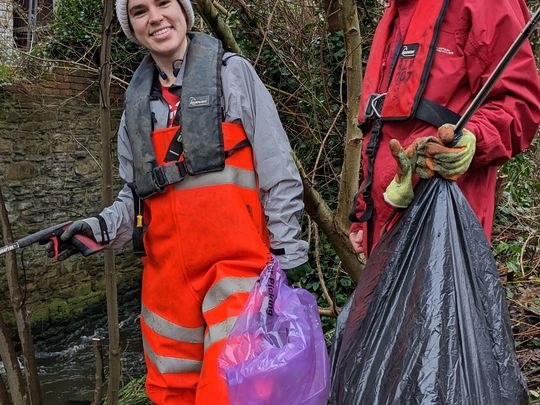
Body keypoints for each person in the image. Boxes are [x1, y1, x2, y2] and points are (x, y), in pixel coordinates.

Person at [51, 0, 310, 403]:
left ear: (184, 10)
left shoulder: (233, 76)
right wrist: (99, 228)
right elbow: (134, 198)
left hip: (238, 276)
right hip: (166, 291)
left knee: (229, 393)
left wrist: (286, 258)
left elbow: (279, 171)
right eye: (139, 11)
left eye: (163, 2)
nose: (154, 17)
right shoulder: (135, 108)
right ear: (131, 27)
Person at [349, 0, 540, 257]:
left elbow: (519, 103)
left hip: (444, 230)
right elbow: (381, 132)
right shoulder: (397, 10)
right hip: (384, 229)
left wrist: (473, 137)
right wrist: (365, 214)